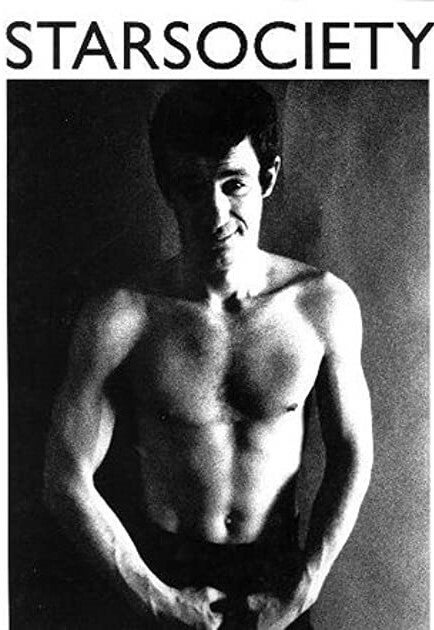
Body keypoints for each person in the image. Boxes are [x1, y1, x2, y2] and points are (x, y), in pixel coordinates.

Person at [43, 81, 373, 629]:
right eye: (192, 188)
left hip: (277, 576)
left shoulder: (321, 305)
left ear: (267, 178)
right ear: (168, 189)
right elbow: (64, 476)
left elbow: (352, 453)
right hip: (162, 575)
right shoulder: (122, 318)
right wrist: (156, 599)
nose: (214, 212)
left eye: (233, 183)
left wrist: (304, 588)